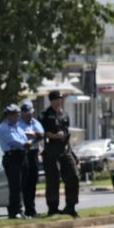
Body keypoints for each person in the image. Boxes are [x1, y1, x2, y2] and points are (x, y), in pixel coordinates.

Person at [39, 90, 80, 218]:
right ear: (51, 100)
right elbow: (40, 133)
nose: (59, 101)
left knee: (73, 175)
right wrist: (51, 135)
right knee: (53, 179)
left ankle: (70, 206)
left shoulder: (64, 114)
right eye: (57, 98)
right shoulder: (44, 115)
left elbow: (67, 130)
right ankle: (53, 208)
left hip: (65, 149)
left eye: (60, 98)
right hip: (51, 150)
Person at [0, 104, 33, 220]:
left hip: (22, 155)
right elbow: (13, 141)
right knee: (15, 186)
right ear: (7, 115)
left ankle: (20, 210)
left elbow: (24, 138)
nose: (15, 116)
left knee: (22, 185)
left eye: (16, 114)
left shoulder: (18, 127)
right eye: (12, 114)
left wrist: (26, 143)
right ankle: (14, 211)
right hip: (12, 157)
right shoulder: (3, 128)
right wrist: (25, 144)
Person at [18, 101, 44, 218]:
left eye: (30, 113)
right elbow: (20, 135)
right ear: (21, 114)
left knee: (32, 183)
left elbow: (41, 135)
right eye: (26, 114)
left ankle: (31, 210)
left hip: (33, 153)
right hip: (24, 153)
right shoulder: (18, 124)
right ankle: (21, 210)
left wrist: (31, 134)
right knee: (23, 183)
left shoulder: (36, 123)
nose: (28, 116)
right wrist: (33, 134)